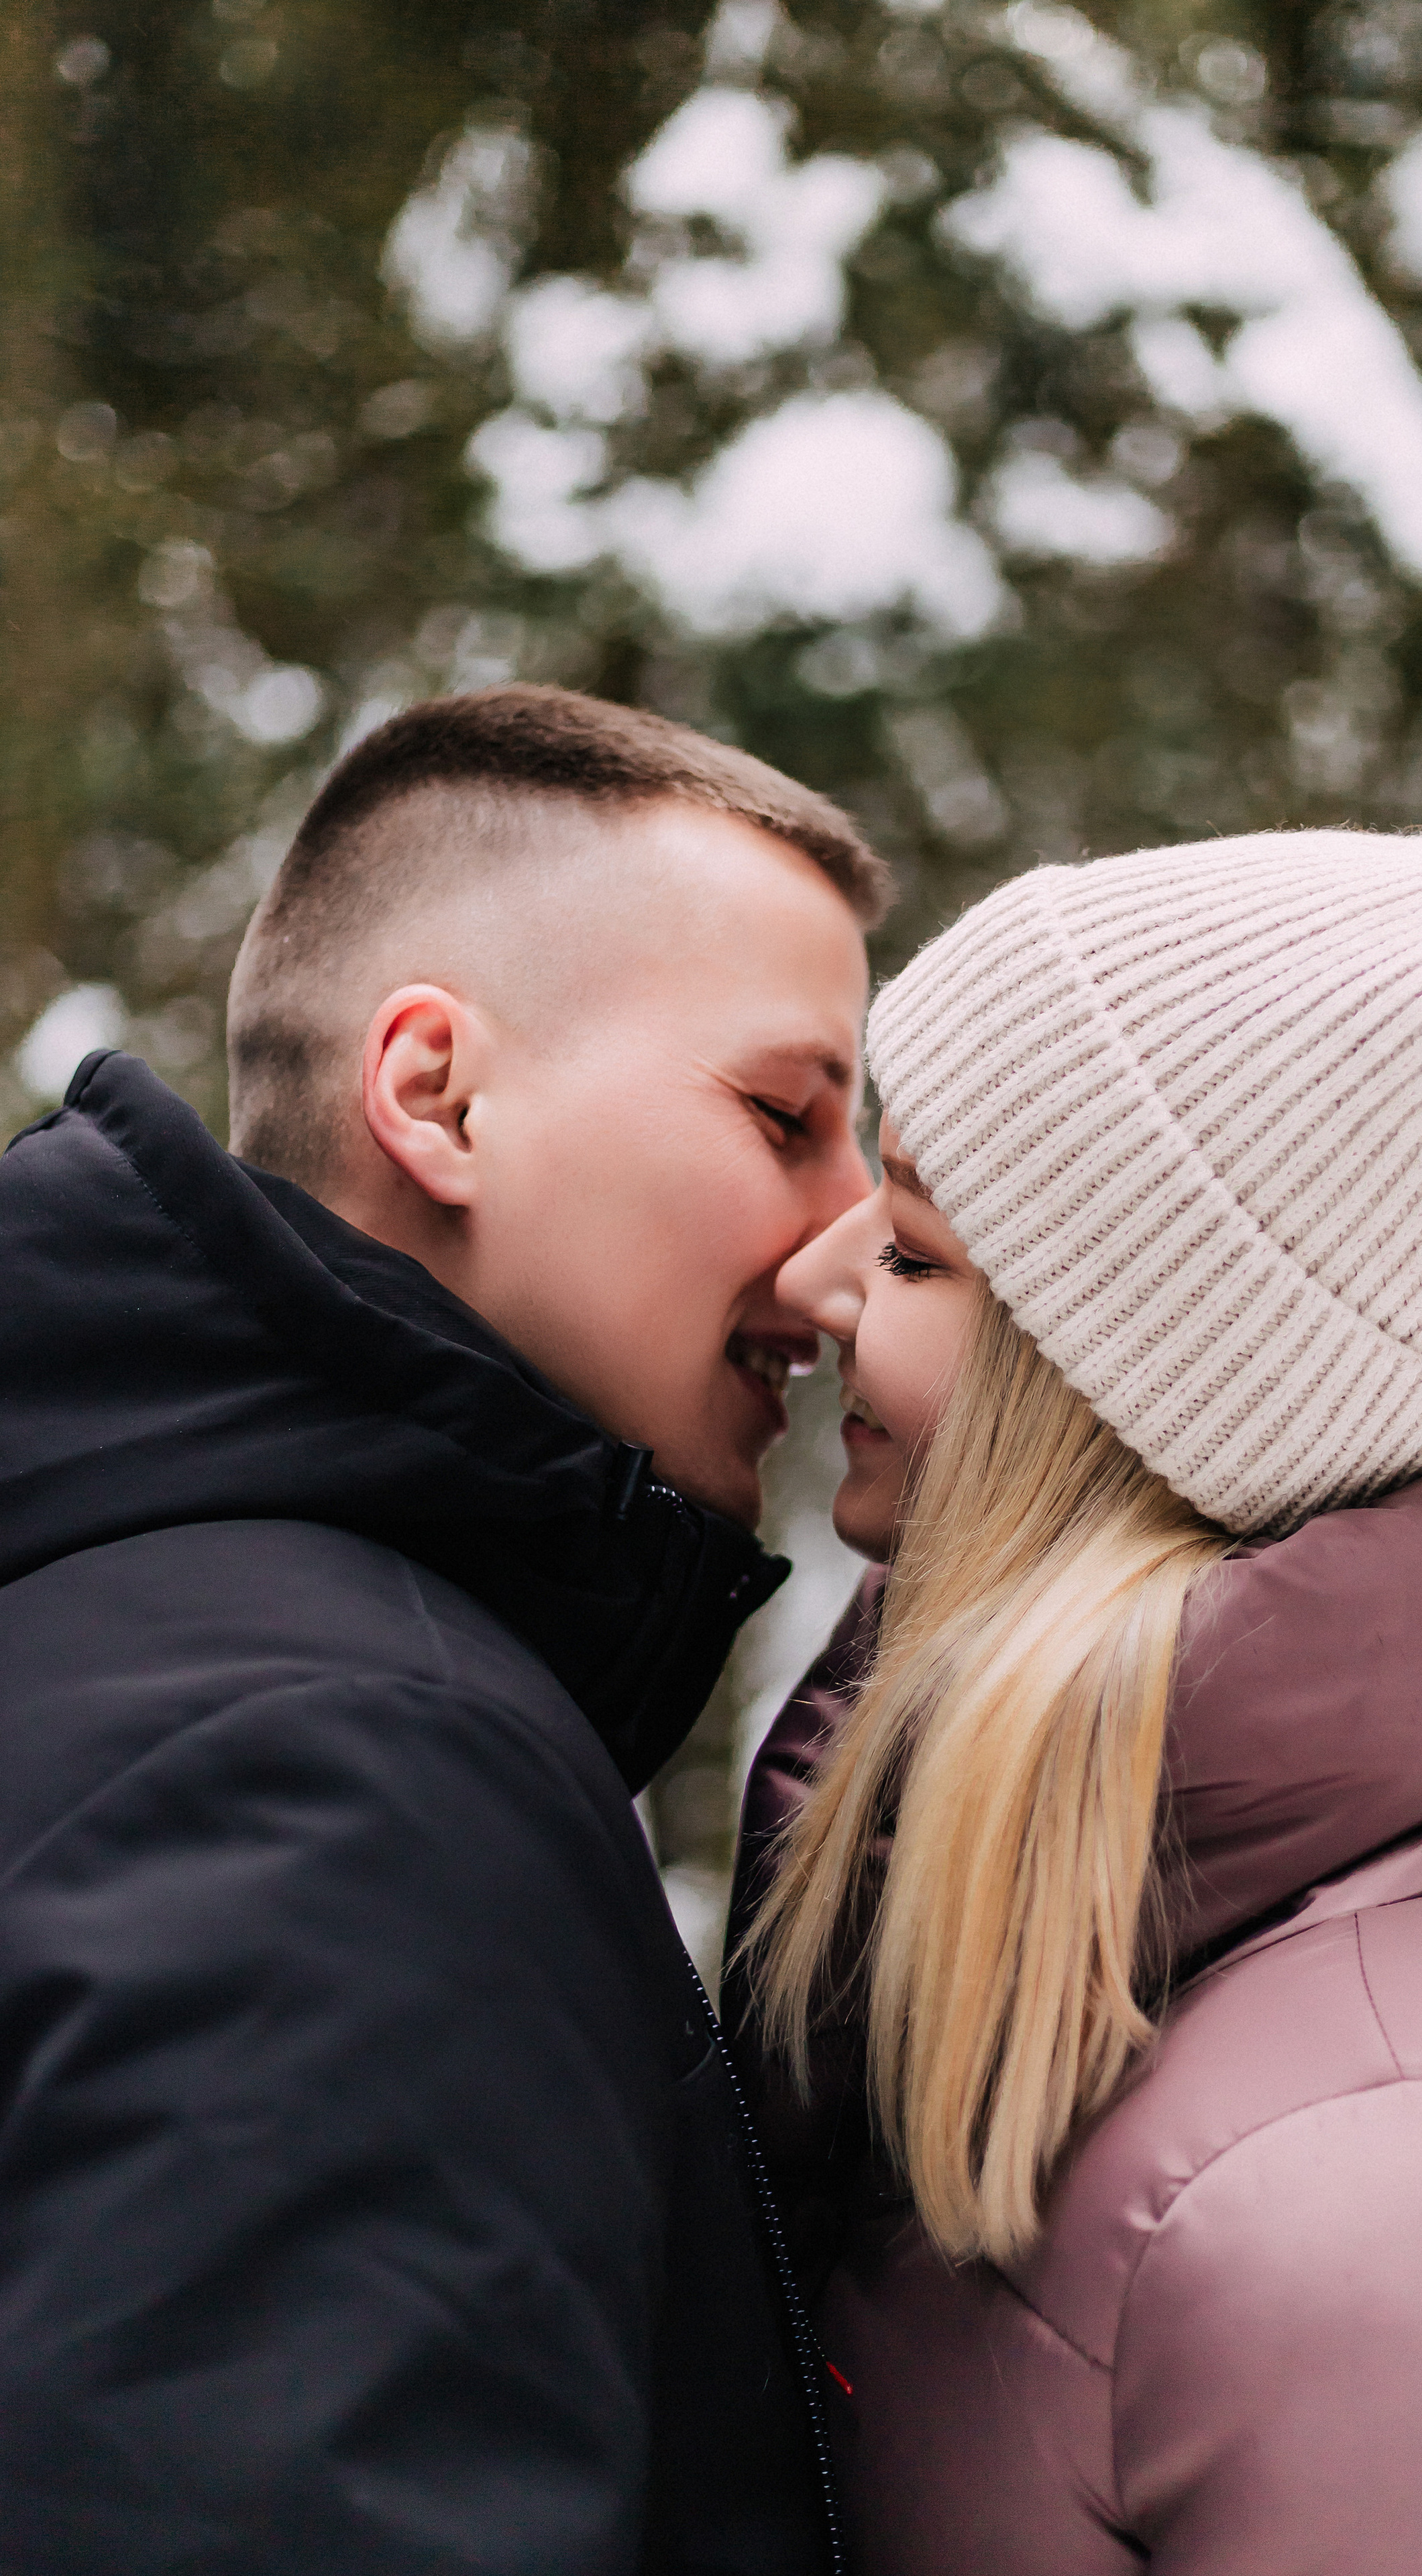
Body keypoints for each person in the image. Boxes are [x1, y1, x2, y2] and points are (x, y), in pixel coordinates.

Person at [728, 817, 1422, 2575]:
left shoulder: (1417, 2224)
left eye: (918, 1256)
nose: (820, 1280)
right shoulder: (1061, 1885)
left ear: (1128, 1399)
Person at [0, 684, 888, 2573]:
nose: (844, 1247)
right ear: (439, 1096)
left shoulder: (132, 1622)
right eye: (786, 1117)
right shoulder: (346, 1772)